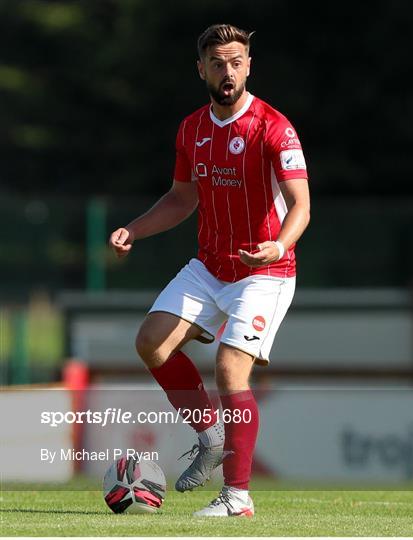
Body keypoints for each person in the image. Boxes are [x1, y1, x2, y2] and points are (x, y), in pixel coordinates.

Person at [109, 23, 310, 517]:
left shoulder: (274, 127)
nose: (228, 71)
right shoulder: (191, 129)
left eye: (236, 61)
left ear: (249, 66)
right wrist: (133, 230)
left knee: (228, 367)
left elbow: (302, 206)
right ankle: (209, 435)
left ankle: (238, 498)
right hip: (210, 265)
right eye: (217, 63)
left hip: (266, 270)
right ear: (201, 69)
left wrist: (276, 244)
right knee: (151, 342)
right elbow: (181, 199)